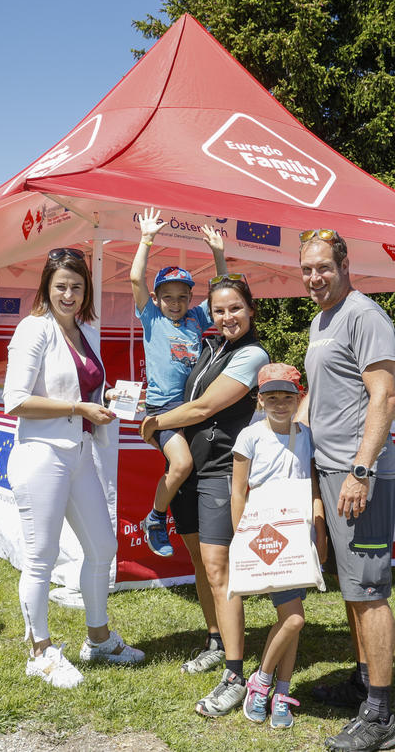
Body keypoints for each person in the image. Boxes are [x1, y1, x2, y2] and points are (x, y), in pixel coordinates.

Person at [3, 247, 144, 689]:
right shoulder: (34, 329)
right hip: (41, 455)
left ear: (86, 293)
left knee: (102, 547)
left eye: (77, 287)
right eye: (61, 286)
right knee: (40, 558)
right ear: (46, 286)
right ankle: (39, 651)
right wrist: (78, 406)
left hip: (80, 453)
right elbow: (16, 400)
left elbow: (84, 395)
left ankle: (98, 640)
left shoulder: (82, 332)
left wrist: (107, 404)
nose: (69, 294)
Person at [138, 274, 269, 712]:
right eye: (219, 310)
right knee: (199, 563)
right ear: (208, 314)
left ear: (250, 309)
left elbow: (203, 408)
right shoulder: (211, 346)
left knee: (220, 572)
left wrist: (154, 422)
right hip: (189, 474)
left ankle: (235, 674)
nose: (227, 316)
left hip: (217, 471)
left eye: (235, 308)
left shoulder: (252, 354)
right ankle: (215, 641)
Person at [299, 228, 395, 751]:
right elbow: (317, 396)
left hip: (362, 475)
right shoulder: (321, 320)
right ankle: (363, 682)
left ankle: (381, 715)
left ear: (343, 264)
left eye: (323, 267)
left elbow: (383, 397)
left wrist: (361, 470)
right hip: (332, 471)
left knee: (369, 590)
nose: (315, 277)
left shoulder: (364, 315)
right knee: (352, 589)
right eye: (308, 270)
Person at [230, 363, 325, 730]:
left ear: (298, 398)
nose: (280, 404)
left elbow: (312, 486)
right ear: (260, 399)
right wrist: (241, 536)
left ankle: (282, 693)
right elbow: (238, 490)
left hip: (299, 537)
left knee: (291, 621)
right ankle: (261, 681)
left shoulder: (307, 436)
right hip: (267, 537)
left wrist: (319, 533)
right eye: (272, 397)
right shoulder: (250, 436)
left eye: (288, 397)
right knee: (296, 617)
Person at [131, 208, 227, 558]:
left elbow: (222, 290)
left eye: (182, 296)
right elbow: (134, 280)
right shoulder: (152, 318)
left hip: (192, 410)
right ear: (156, 299)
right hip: (162, 410)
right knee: (182, 465)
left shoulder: (196, 319)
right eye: (168, 297)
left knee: (195, 469)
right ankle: (155, 519)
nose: (175, 303)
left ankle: (196, 525)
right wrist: (146, 239)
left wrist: (218, 254)